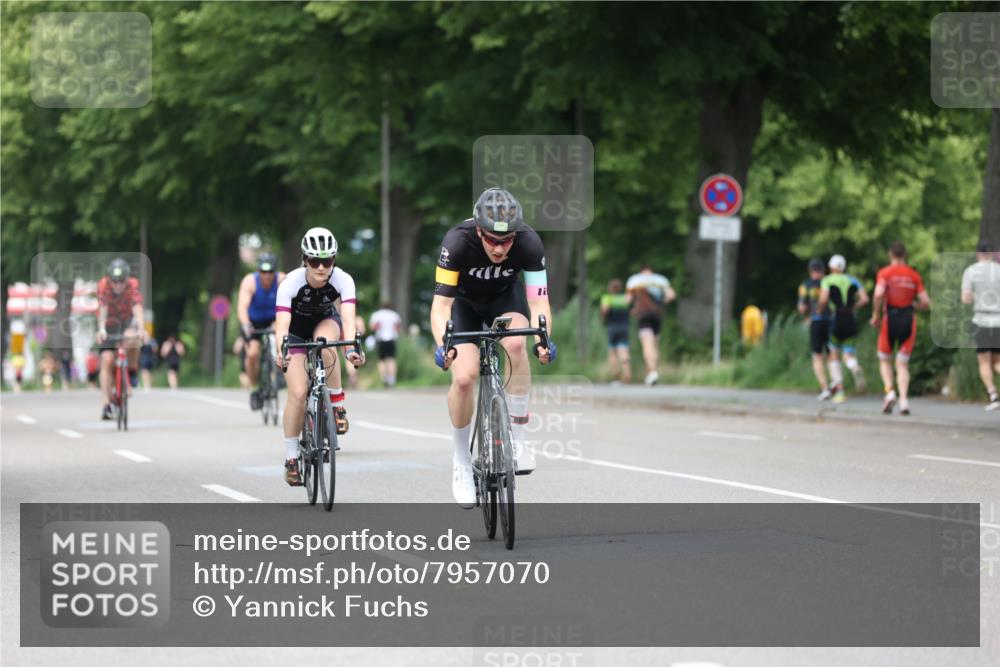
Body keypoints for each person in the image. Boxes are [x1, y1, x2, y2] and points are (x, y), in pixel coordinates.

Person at [430, 187, 556, 508]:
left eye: (507, 241)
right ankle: (461, 461)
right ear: (478, 230)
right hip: (463, 305)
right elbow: (441, 306)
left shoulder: (529, 241)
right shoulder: (457, 242)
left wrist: (542, 340)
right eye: (492, 240)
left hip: (504, 299)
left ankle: (520, 439)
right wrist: (444, 344)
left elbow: (539, 302)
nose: (500, 248)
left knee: (516, 343)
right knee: (464, 378)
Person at [274, 227, 364, 486]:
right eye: (315, 261)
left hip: (325, 322)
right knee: (298, 393)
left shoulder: (343, 280)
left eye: (328, 261)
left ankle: (337, 406)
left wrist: (352, 350)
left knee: (326, 344)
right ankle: (292, 458)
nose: (322, 267)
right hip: (295, 333)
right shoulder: (290, 283)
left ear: (334, 260)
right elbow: (282, 324)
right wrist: (281, 352)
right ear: (305, 260)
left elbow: (348, 320)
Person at [870, 241, 931, 416]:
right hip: (908, 319)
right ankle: (904, 400)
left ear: (890, 255)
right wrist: (914, 305)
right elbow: (926, 302)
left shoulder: (885, 273)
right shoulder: (913, 275)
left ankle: (890, 391)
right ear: (905, 255)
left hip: (890, 318)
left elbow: (878, 294)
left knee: (885, 359)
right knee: (902, 363)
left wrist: (876, 315)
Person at [95, 258, 145, 420]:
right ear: (109, 279)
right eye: (115, 281)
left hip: (126, 321)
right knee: (107, 359)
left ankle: (131, 370)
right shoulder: (103, 285)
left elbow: (137, 308)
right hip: (109, 323)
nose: (118, 285)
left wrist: (141, 329)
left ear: (127, 279)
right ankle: (106, 405)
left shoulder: (133, 285)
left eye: (121, 281)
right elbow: (102, 308)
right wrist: (101, 329)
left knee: (133, 339)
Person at [237, 252, 286, 410]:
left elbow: (290, 304)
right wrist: (246, 324)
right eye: (263, 272)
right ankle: (254, 389)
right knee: (252, 354)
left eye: (270, 271)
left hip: (275, 319)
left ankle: (279, 373)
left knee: (283, 342)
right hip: (254, 322)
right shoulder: (250, 281)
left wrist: (279, 322)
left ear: (275, 271)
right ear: (258, 271)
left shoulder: (282, 279)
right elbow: (242, 307)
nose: (267, 275)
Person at [818, 254, 870, 403]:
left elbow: (823, 299)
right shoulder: (852, 280)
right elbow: (865, 299)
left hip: (836, 318)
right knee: (848, 355)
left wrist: (820, 309)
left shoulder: (827, 280)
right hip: (851, 319)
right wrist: (854, 307)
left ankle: (840, 391)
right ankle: (854, 367)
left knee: (833, 355)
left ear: (831, 267)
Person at [960, 240, 1000, 411]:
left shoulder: (971, 271)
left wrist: (975, 297)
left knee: (984, 361)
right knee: (997, 361)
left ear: (978, 254)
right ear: (990, 254)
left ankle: (993, 395)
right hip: (999, 319)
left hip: (982, 320)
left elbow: (965, 298)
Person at [626, 266, 675, 386]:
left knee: (647, 344)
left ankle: (652, 372)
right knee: (655, 344)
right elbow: (671, 296)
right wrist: (662, 302)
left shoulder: (635, 280)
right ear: (651, 271)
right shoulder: (661, 280)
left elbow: (628, 299)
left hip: (644, 315)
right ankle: (652, 373)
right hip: (657, 315)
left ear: (641, 271)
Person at [798, 258, 833, 400]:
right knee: (833, 355)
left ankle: (825, 388)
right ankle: (836, 383)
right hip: (831, 321)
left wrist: (807, 313)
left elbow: (802, 307)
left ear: (810, 271)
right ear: (823, 270)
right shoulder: (829, 283)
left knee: (817, 356)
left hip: (816, 321)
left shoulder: (805, 286)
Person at [600, 279, 632, 383]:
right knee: (624, 351)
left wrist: (603, 316)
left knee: (613, 353)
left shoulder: (608, 298)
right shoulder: (625, 298)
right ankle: (627, 372)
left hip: (612, 327)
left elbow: (604, 311)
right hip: (624, 327)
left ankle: (616, 376)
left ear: (610, 288)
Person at [369, 302, 402, 387]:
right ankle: (391, 380)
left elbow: (372, 327)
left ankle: (383, 378)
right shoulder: (394, 315)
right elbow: (398, 328)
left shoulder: (377, 315)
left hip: (381, 339)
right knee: (391, 360)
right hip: (391, 339)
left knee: (381, 360)